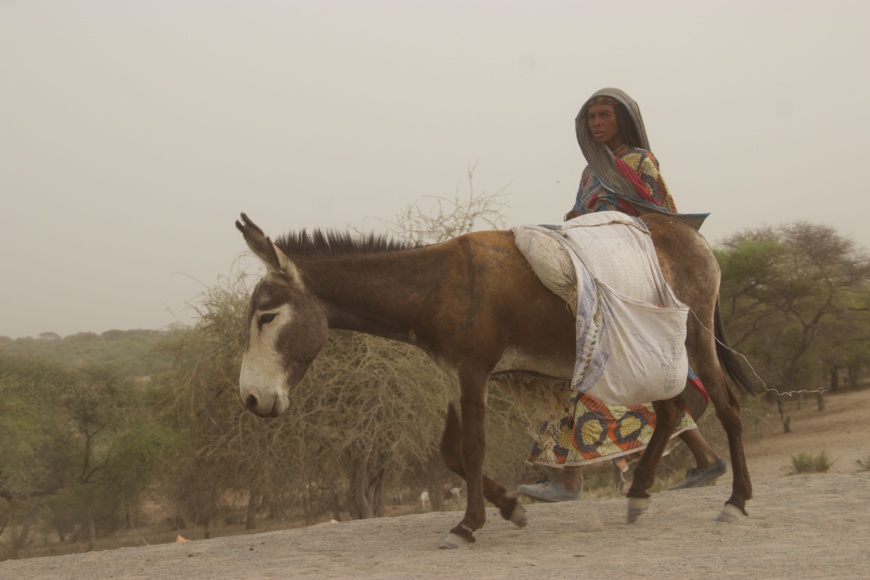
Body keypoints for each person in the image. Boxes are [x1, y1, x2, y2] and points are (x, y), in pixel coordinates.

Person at [518, 88, 726, 502]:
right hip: (596, 269)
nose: (596, 124)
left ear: (623, 120)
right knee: (615, 373)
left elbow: (662, 220)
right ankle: (704, 458)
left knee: (603, 369)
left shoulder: (639, 162)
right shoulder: (589, 169)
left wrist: (606, 219)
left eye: (603, 116)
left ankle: (568, 480)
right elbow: (583, 211)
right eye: (591, 118)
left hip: (629, 276)